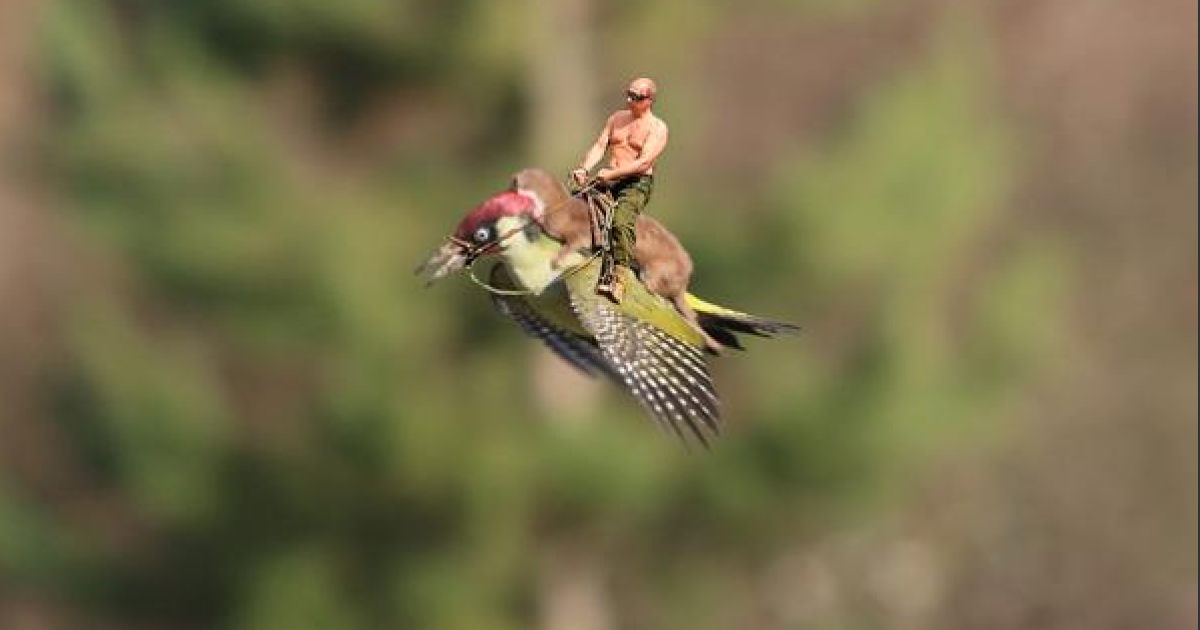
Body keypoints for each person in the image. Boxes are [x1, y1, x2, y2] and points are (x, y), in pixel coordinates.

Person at [572, 77, 669, 302]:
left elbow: (644, 163)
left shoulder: (657, 128)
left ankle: (620, 278)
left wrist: (612, 174)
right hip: (609, 178)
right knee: (574, 206)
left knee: (621, 221)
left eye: (636, 97)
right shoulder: (616, 118)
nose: (630, 100)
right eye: (628, 94)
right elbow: (600, 146)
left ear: (650, 100)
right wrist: (584, 168)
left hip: (635, 183)